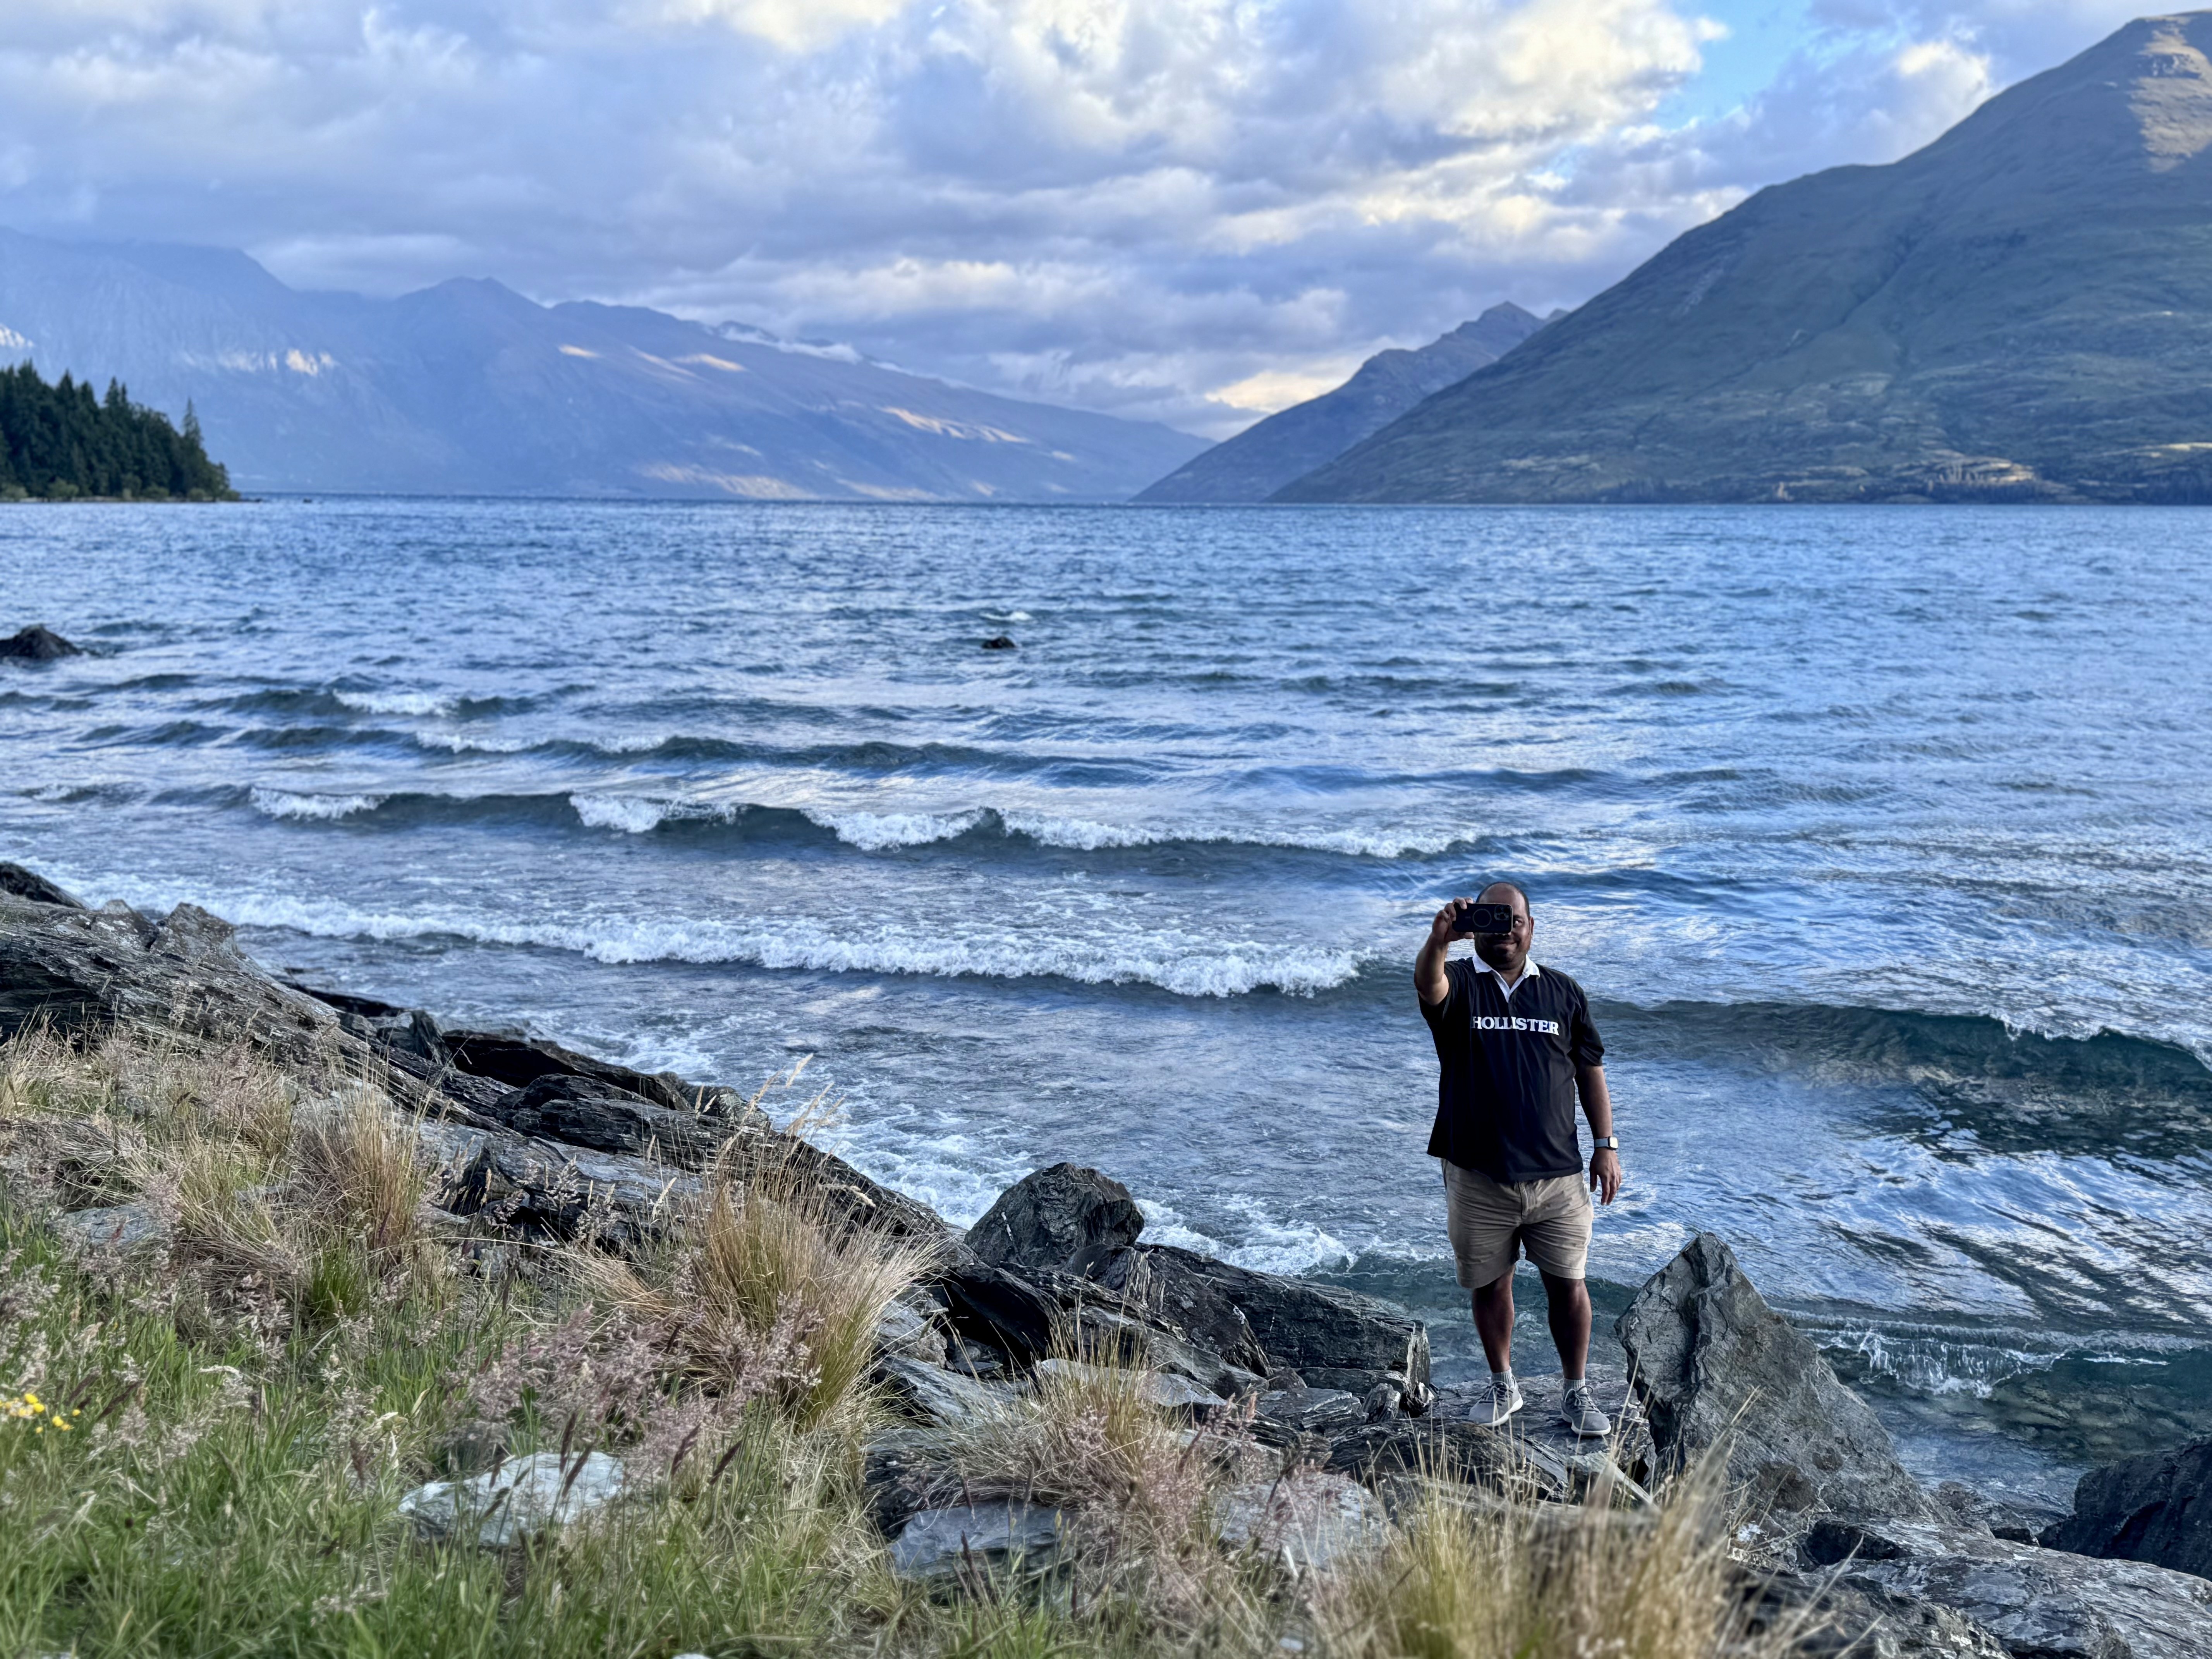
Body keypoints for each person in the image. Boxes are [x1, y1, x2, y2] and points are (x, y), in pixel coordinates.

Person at [1415, 882, 1622, 1433]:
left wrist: (1606, 1146)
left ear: (1532, 926)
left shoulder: (1564, 993)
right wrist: (1441, 940)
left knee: (1568, 1284)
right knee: (1491, 1283)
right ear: (1476, 928)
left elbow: (1589, 1070)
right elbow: (1428, 985)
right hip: (1477, 1173)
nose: (1505, 931)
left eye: (1515, 920)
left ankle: (1575, 1391)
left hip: (1558, 1175)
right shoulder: (1460, 983)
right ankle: (1503, 1382)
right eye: (1493, 920)